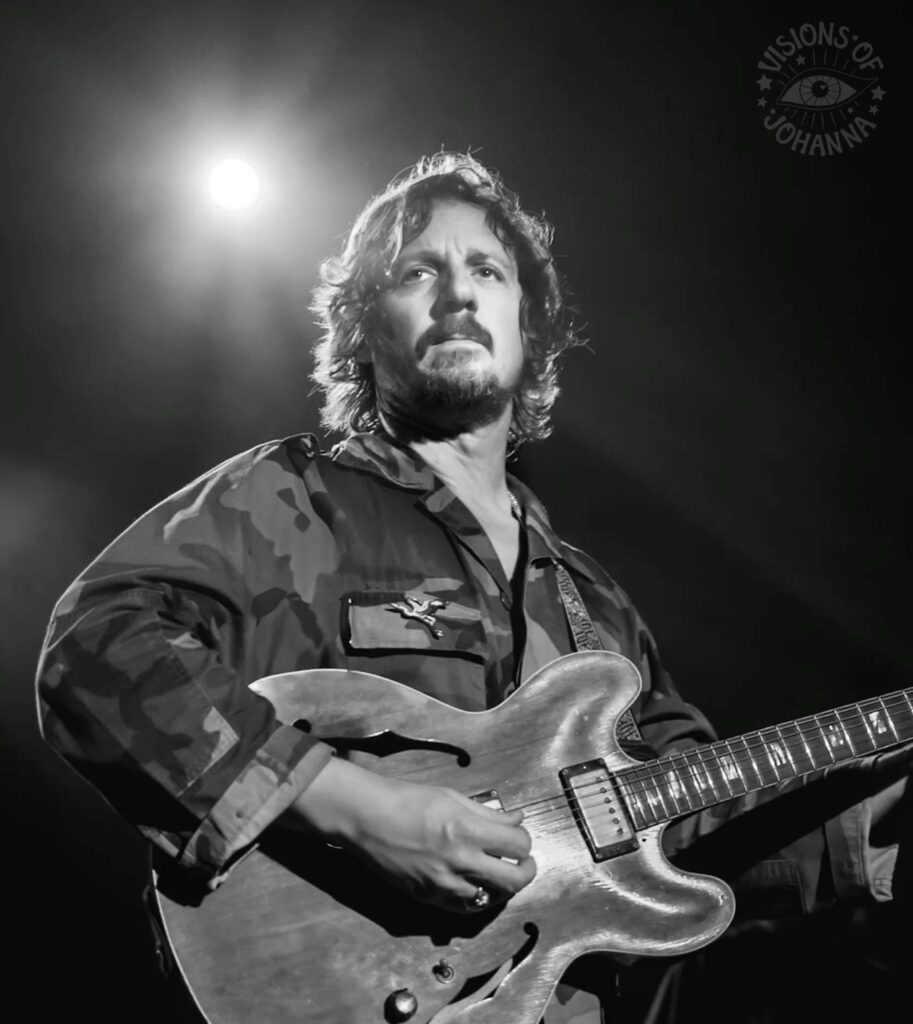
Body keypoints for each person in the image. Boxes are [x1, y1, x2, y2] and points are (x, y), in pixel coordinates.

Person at [35, 153, 910, 1024]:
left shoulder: (593, 601)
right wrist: (353, 807)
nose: (458, 294)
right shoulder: (292, 497)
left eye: (487, 271)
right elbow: (97, 649)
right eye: (418, 272)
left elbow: (687, 833)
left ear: (528, 324)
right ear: (364, 329)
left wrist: (877, 811)